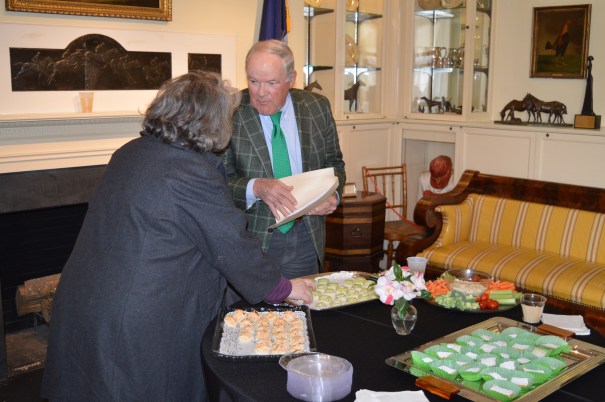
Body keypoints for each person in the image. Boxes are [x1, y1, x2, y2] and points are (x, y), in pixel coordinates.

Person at [40, 71, 315, 402]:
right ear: (212, 122)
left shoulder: (130, 152)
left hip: (86, 302)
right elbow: (230, 245)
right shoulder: (189, 170)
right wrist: (282, 288)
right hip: (135, 322)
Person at [222, 40, 346, 279]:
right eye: (253, 81)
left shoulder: (316, 107)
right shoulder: (229, 111)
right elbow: (217, 179)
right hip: (249, 239)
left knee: (301, 302)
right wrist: (256, 187)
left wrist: (334, 195)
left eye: (271, 83)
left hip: (305, 235)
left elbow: (334, 163)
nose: (261, 92)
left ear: (291, 79)